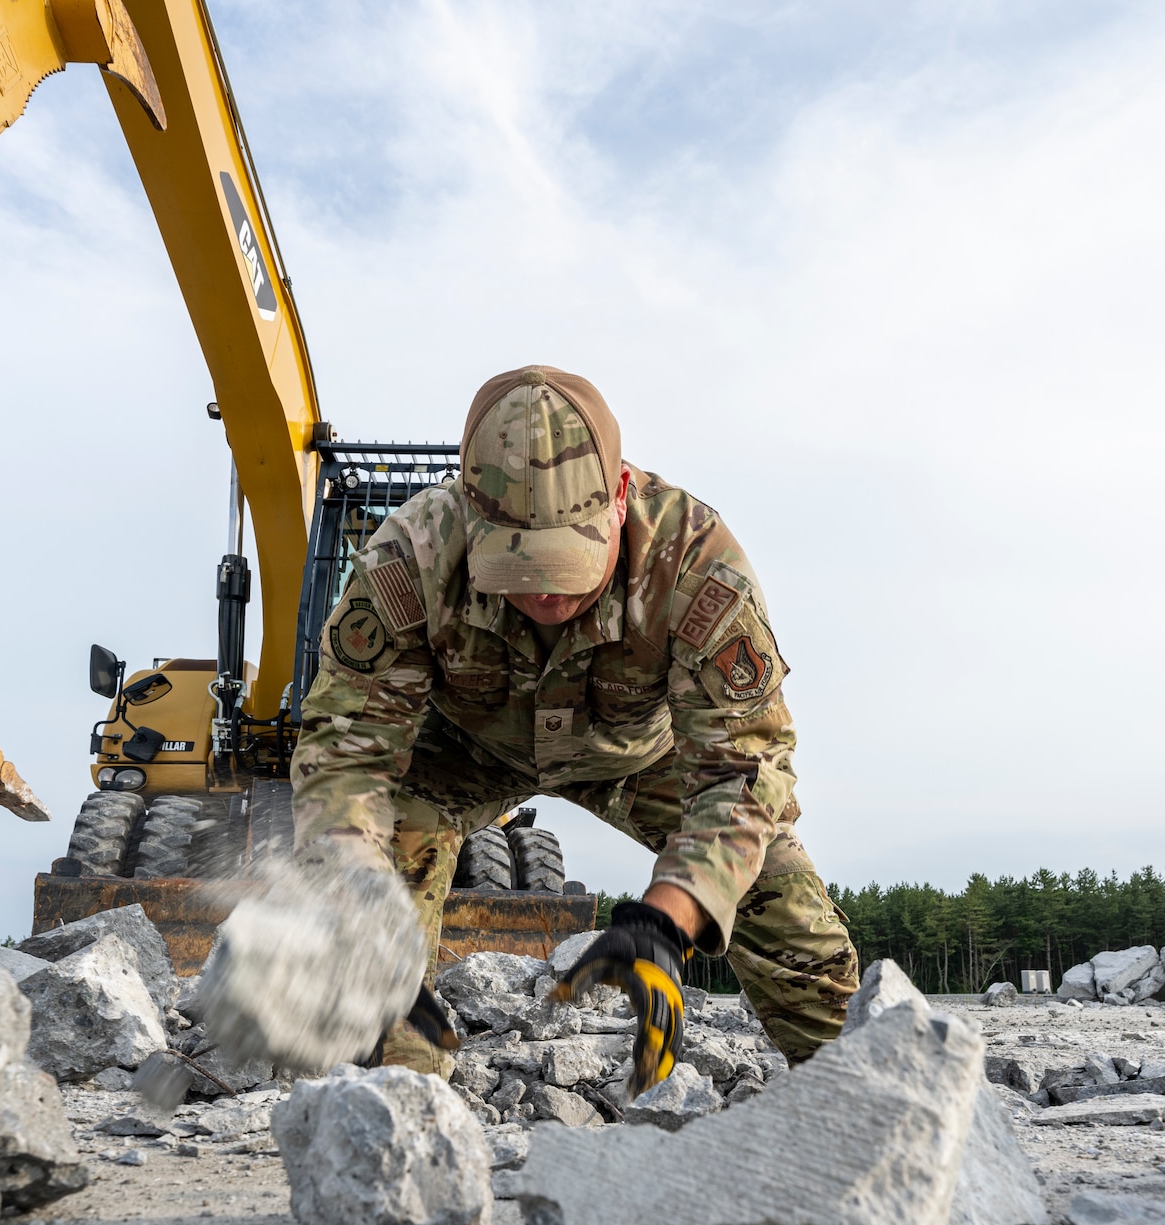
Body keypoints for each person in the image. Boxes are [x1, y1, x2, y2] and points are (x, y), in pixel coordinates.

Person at [288, 365, 859, 1094]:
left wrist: (667, 922)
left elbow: (743, 772)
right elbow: (344, 755)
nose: (547, 594)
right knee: (378, 907)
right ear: (469, 512)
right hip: (463, 750)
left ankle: (865, 1099)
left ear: (621, 496)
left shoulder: (695, 564)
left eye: (569, 563)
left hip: (642, 755)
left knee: (777, 895)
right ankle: (398, 1115)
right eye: (518, 568)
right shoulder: (414, 556)